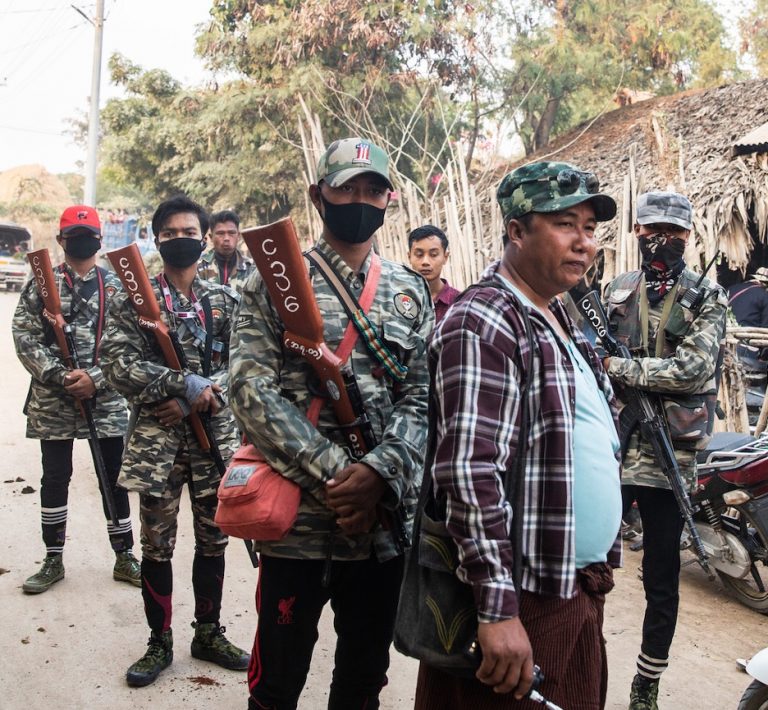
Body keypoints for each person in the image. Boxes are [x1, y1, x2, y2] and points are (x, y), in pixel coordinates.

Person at [229, 137, 433, 709]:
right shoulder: (271, 280)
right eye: (347, 188)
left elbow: (422, 398)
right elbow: (250, 390)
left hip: (378, 527)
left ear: (389, 200)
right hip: (298, 524)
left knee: (363, 681)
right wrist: (340, 476)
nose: (360, 200)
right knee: (276, 682)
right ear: (319, 196)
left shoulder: (409, 290)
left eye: (373, 190)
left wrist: (380, 472)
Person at [415, 161, 623, 710]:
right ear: (516, 230)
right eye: (565, 224)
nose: (584, 243)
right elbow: (468, 470)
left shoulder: (559, 315)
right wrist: (497, 609)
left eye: (590, 228)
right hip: (523, 597)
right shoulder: (486, 318)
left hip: (571, 585)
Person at [100, 195, 249, 687]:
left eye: (190, 231)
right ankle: (158, 641)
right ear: (156, 238)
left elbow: (245, 364)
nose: (180, 238)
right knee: (156, 546)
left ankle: (207, 632)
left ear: (203, 239)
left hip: (214, 443)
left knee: (214, 540)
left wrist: (201, 393)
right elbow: (117, 363)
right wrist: (180, 384)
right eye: (170, 232)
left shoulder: (225, 299)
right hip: (156, 444)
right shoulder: (134, 299)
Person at [601, 191, 727, 710]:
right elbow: (594, 355)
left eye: (674, 233)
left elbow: (694, 370)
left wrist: (626, 370)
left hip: (669, 454)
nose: (664, 240)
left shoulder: (709, 297)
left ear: (689, 237)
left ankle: (646, 684)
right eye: (654, 229)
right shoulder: (616, 290)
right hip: (612, 448)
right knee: (591, 561)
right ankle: (581, 657)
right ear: (636, 231)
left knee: (661, 576)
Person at [12, 204, 140, 593]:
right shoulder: (42, 282)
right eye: (74, 234)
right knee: (55, 477)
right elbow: (25, 336)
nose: (83, 241)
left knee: (113, 478)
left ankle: (124, 555)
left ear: (100, 239)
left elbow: (133, 344)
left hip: (106, 401)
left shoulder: (118, 285)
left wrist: (98, 378)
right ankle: (53, 558)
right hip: (54, 400)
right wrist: (61, 375)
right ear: (60, 240)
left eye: (89, 234)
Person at [407, 224, 460, 323]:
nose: (425, 261)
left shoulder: (459, 303)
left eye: (433, 254)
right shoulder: (401, 299)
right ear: (409, 257)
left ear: (445, 257)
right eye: (419, 255)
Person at [197, 209, 254, 291]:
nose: (226, 238)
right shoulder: (197, 268)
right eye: (220, 233)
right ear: (211, 237)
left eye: (231, 233)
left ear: (238, 236)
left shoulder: (252, 268)